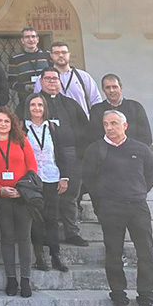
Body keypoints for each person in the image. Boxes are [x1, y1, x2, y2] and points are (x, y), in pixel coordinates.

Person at [81, 110, 153, 306]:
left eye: (114, 123)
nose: (109, 127)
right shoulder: (96, 149)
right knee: (114, 254)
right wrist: (104, 200)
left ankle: (146, 299)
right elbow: (88, 178)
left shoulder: (140, 149)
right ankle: (118, 297)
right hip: (111, 208)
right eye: (106, 124)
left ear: (125, 126)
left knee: (146, 254)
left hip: (137, 207)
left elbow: (150, 177)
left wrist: (137, 193)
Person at [0, 107, 38, 298]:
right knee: (7, 237)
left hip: (22, 196)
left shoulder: (22, 141)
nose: (3, 124)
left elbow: (32, 167)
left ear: (12, 123)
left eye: (6, 121)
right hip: (1, 196)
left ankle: (25, 279)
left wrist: (20, 189)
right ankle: (11, 279)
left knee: (24, 238)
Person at [35, 67, 90, 247]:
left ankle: (72, 232)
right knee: (43, 194)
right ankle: (43, 233)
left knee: (71, 194)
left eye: (55, 79)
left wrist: (81, 153)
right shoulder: (33, 103)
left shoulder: (71, 103)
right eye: (48, 79)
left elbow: (84, 129)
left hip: (70, 154)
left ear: (60, 82)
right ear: (41, 82)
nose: (52, 82)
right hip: (43, 156)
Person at [23, 94, 71, 273]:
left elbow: (61, 153)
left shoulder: (52, 128)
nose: (36, 108)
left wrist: (64, 177)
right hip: (32, 180)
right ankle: (39, 256)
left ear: (45, 108)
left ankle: (55, 255)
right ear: (28, 107)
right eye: (33, 105)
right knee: (36, 218)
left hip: (51, 176)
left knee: (52, 218)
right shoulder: (22, 128)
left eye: (40, 105)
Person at [33, 41, 103, 117]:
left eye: (64, 52)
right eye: (56, 53)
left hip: (81, 123)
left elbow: (96, 100)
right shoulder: (43, 78)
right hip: (54, 123)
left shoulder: (83, 76)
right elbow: (37, 100)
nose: (60, 55)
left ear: (69, 54)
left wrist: (94, 119)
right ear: (51, 56)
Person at [89, 74, 152, 145]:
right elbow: (94, 137)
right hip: (107, 153)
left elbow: (146, 137)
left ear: (120, 87)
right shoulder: (96, 110)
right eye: (108, 87)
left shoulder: (135, 107)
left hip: (133, 152)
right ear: (103, 90)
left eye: (115, 87)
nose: (112, 90)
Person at [8, 26, 50, 107]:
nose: (31, 40)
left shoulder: (47, 55)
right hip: (26, 101)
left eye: (33, 36)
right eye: (27, 37)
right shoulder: (15, 59)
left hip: (47, 99)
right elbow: (11, 83)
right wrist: (26, 87)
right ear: (22, 41)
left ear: (37, 39)